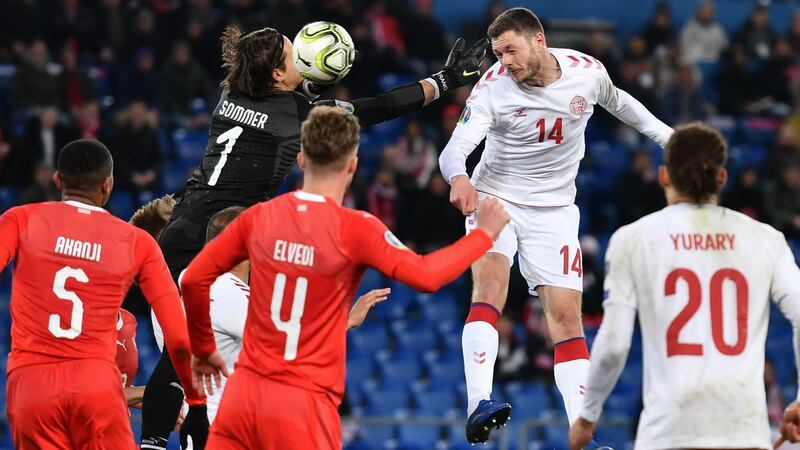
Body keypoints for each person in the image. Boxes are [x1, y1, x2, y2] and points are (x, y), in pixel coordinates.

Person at [142, 23, 490, 447]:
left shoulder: (232, 93)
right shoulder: (294, 115)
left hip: (183, 229)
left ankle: (160, 439)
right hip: (216, 238)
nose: (300, 57)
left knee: (189, 357)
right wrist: (445, 81)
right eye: (292, 54)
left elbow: (282, 105)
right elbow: (377, 107)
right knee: (191, 360)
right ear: (275, 74)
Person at [180, 106, 510, 449]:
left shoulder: (258, 217)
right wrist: (483, 235)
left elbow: (193, 280)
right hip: (303, 403)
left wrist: (203, 351)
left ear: (301, 160)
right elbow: (427, 275)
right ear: (352, 165)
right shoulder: (356, 229)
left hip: (242, 398)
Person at [437, 7, 674, 443]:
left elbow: (621, 103)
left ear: (539, 41)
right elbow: (455, 149)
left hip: (555, 210)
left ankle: (582, 437)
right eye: (498, 53)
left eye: (511, 51)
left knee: (567, 319)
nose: (504, 62)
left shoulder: (587, 73)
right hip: (496, 199)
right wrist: (458, 178)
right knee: (490, 287)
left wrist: (669, 138)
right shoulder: (492, 87)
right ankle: (478, 404)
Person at [568, 123, 800, 450]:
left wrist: (587, 416)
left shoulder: (633, 239)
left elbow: (616, 342)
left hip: (669, 432)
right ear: (722, 178)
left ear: (664, 176)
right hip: (744, 432)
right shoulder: (766, 239)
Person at [0, 139, 216, 449]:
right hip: (97, 384)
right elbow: (179, 337)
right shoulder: (136, 242)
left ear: (58, 180)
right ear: (108, 185)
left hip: (31, 387)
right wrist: (196, 403)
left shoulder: (19, 219)